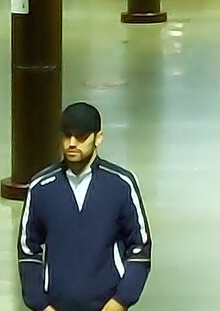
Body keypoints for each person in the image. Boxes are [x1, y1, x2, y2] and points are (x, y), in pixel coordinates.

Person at [18, 102, 152, 311]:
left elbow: (139, 248)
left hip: (107, 305)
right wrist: (41, 305)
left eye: (81, 137)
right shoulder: (41, 187)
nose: (72, 143)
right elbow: (28, 249)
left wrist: (121, 301)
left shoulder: (121, 184)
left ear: (98, 138)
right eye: (66, 135)